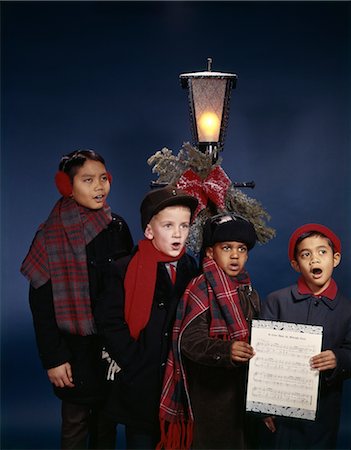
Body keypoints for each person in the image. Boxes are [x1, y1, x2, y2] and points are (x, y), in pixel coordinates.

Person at [20, 149, 133, 449]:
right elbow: (40, 306)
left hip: (112, 344)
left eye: (103, 178)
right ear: (66, 187)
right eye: (88, 180)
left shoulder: (117, 227)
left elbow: (130, 284)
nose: (99, 186)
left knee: (106, 421)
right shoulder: (50, 235)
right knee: (76, 421)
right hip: (74, 348)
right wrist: (54, 358)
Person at [95, 186, 199, 449]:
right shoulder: (125, 268)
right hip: (141, 378)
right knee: (141, 439)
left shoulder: (191, 267)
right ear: (150, 231)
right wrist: (132, 359)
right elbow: (109, 320)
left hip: (176, 377)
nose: (178, 233)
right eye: (168, 225)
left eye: (184, 226)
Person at [158, 213, 261, 450]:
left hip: (241, 389)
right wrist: (226, 350)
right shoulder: (202, 287)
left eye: (242, 249)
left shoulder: (248, 290)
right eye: (226, 248)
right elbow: (189, 341)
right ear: (210, 252)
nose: (235, 255)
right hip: (209, 393)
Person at [261, 223, 351, 449]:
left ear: (336, 258)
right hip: (280, 412)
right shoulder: (276, 301)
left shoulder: (347, 309)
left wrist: (338, 359)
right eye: (305, 254)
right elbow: (261, 357)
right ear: (295, 264)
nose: (314, 260)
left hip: (323, 412)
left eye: (322, 252)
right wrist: (262, 407)